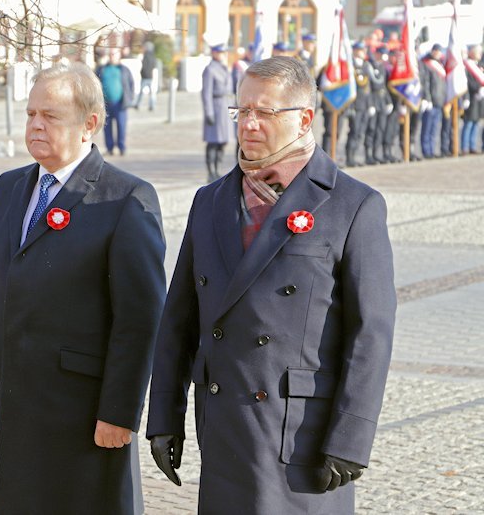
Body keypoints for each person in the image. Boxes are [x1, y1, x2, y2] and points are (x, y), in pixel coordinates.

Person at [147, 56, 396, 514]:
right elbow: (179, 318)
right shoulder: (210, 201)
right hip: (224, 428)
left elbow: (371, 334)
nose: (250, 123)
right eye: (242, 111)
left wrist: (351, 436)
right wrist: (164, 414)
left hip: (301, 436)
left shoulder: (353, 205)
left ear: (304, 118)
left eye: (265, 112)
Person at [0, 62, 166, 514]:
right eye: (31, 113)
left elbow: (140, 320)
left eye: (49, 116)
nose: (35, 125)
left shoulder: (124, 198)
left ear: (89, 124)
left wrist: (119, 411)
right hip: (20, 407)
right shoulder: (10, 188)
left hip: (85, 413)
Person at [202, 44, 234, 182]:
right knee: (213, 142)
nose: (222, 54)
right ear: (214, 53)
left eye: (223, 52)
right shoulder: (210, 70)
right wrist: (209, 112)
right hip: (215, 108)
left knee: (223, 141)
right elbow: (206, 93)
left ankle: (218, 167)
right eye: (220, 52)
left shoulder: (225, 68)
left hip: (225, 107)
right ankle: (211, 170)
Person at [96, 49, 135, 156]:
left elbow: (131, 84)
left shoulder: (123, 69)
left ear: (119, 56)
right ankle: (110, 148)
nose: (112, 56)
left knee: (121, 126)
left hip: (120, 104)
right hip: (105, 104)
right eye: (111, 54)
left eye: (114, 54)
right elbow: (95, 83)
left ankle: (122, 147)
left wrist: (129, 98)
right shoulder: (102, 69)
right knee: (107, 127)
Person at [345, 41, 376, 167]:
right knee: (354, 131)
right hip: (355, 105)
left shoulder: (366, 66)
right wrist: (350, 106)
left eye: (363, 50)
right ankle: (349, 157)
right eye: (360, 50)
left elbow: (368, 88)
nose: (362, 53)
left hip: (364, 105)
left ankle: (355, 156)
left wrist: (370, 104)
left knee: (360, 132)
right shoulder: (350, 66)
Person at [366, 46, 394, 163]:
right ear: (376, 54)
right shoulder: (369, 66)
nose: (383, 57)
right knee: (371, 129)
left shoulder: (382, 67)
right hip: (373, 100)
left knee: (380, 129)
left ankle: (376, 153)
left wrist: (388, 101)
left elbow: (384, 86)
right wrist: (370, 104)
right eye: (381, 54)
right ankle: (368, 154)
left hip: (382, 101)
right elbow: (368, 88)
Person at [419, 43, 447, 159]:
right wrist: (427, 98)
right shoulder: (426, 64)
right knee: (427, 127)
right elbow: (425, 83)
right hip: (431, 100)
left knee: (434, 128)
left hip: (439, 101)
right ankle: (426, 150)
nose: (437, 53)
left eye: (439, 51)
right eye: (435, 50)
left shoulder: (440, 64)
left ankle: (431, 149)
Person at [462, 44, 484, 154]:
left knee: (476, 123)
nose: (480, 54)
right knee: (469, 123)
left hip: (479, 99)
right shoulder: (467, 66)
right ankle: (465, 147)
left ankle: (472, 146)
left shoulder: (478, 65)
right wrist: (477, 88)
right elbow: (468, 82)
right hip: (471, 97)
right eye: (478, 52)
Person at [134, 41, 157, 111]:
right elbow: (154, 66)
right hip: (150, 77)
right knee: (152, 93)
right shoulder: (153, 56)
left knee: (141, 92)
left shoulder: (145, 56)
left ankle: (138, 104)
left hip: (144, 77)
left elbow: (143, 66)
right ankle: (152, 106)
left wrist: (141, 73)